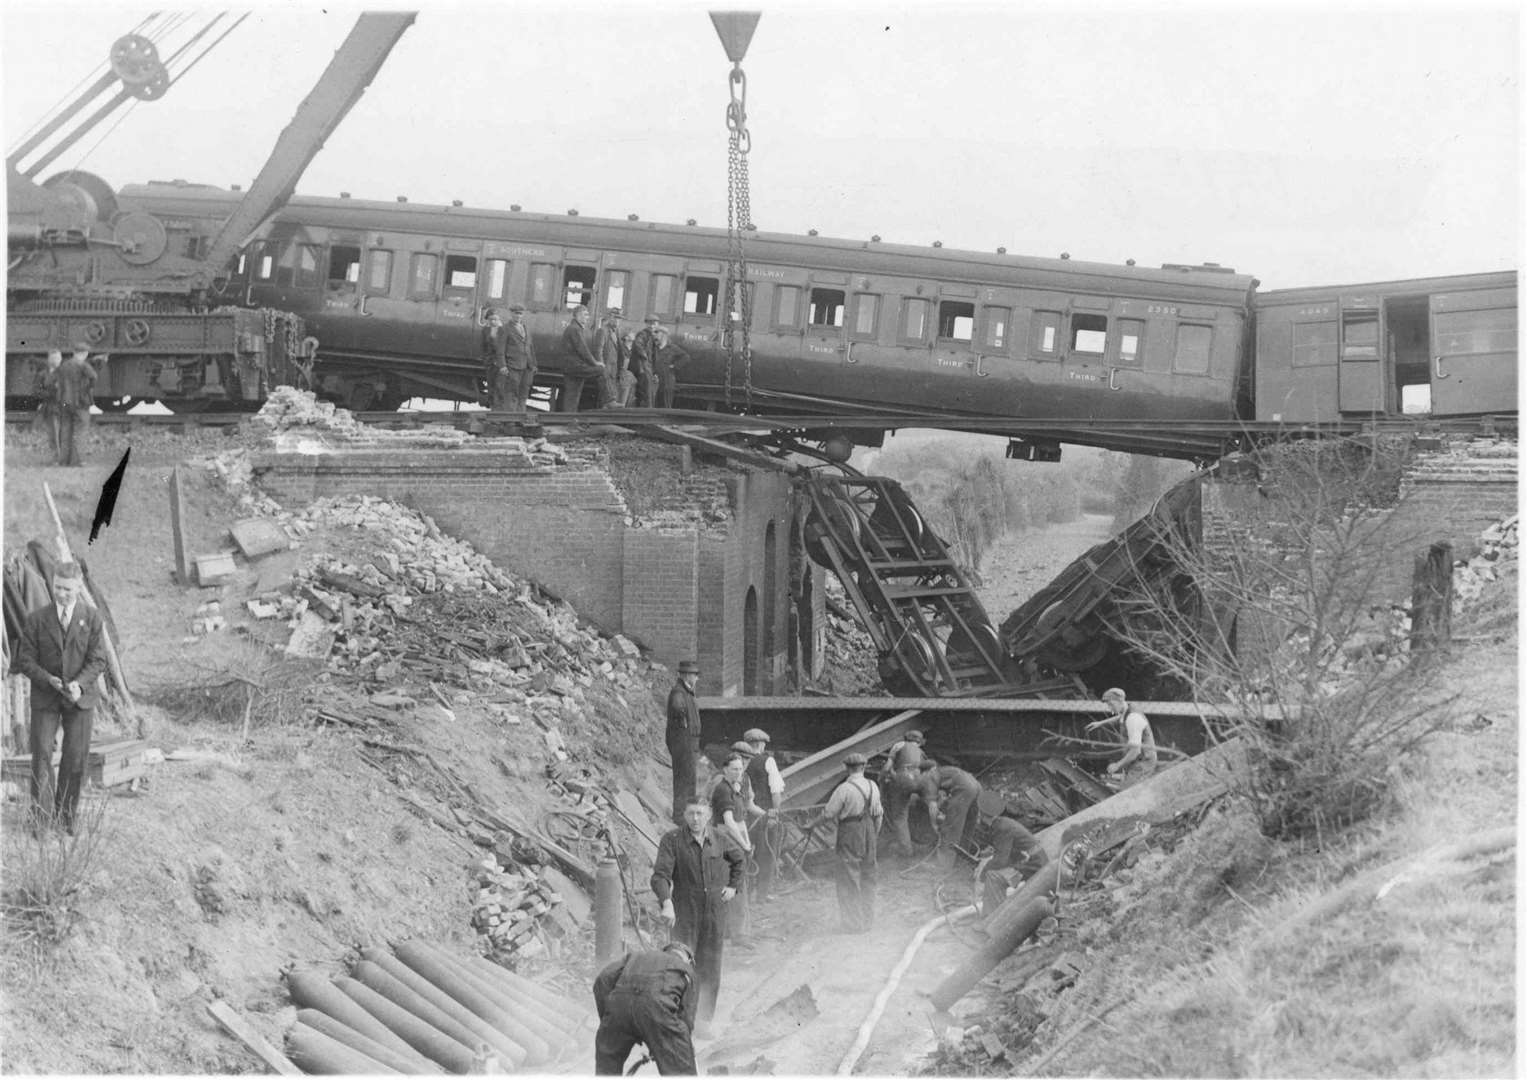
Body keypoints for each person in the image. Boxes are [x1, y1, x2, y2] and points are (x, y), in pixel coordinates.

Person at [13, 562, 109, 834]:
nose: (61, 594)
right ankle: (42, 820)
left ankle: (66, 818)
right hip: (46, 696)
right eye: (57, 588)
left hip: (80, 698)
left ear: (78, 586)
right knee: (42, 756)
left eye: (67, 589)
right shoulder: (37, 619)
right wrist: (47, 679)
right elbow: (25, 659)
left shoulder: (91, 619)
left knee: (75, 757)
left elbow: (98, 659)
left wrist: (79, 684)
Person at [651, 797, 744, 1033]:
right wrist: (666, 903)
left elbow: (739, 859)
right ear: (684, 815)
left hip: (714, 912)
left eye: (700, 814)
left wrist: (733, 886)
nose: (695, 819)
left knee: (710, 966)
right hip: (684, 911)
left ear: (709, 815)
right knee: (679, 965)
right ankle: (678, 1021)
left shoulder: (719, 839)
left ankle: (703, 1021)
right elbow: (660, 876)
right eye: (691, 814)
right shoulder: (672, 840)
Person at [592, 941, 699, 1076]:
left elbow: (602, 980)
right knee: (681, 1072)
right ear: (688, 959)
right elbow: (686, 1018)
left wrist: (608, 1018)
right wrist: (672, 1043)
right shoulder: (686, 970)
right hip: (658, 1010)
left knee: (606, 1068)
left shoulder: (635, 956)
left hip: (619, 1009)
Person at [810, 752, 883, 932]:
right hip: (870, 830)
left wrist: (811, 824)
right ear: (864, 767)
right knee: (869, 876)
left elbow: (828, 814)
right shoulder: (873, 785)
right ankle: (868, 922)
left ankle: (853, 925)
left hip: (850, 831)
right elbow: (879, 814)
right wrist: (873, 834)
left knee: (848, 877)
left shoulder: (844, 789)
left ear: (847, 768)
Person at [742, 727, 785, 901]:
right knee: (766, 853)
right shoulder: (768, 761)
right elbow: (776, 791)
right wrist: (775, 814)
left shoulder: (741, 762)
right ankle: (762, 894)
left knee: (746, 852)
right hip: (766, 814)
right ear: (761, 744)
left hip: (746, 814)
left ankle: (746, 892)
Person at [1087, 687, 1158, 787]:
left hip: (1143, 762)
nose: (1110, 708)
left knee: (1128, 793)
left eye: (1111, 704)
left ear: (1120, 700)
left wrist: (1117, 765)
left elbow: (1135, 751)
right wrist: (1100, 723)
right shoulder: (1127, 709)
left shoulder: (1133, 719)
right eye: (1108, 705)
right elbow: (1120, 718)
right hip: (1138, 760)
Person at [917, 758, 983, 861]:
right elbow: (944, 798)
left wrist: (934, 825)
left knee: (950, 829)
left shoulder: (929, 776)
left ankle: (943, 865)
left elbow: (932, 806)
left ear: (925, 771)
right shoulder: (945, 771)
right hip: (977, 786)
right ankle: (962, 859)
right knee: (967, 826)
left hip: (964, 790)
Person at [666, 661, 702, 824]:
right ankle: (680, 816)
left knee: (689, 778)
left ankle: (687, 813)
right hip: (683, 743)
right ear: (687, 676)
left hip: (689, 743)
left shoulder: (687, 692)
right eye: (695, 675)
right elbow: (677, 707)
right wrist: (683, 720)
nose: (696, 679)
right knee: (683, 779)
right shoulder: (679, 692)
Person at [881, 729, 927, 857]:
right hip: (919, 780)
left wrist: (884, 778)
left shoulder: (899, 745)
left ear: (906, 738)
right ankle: (931, 842)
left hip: (903, 779)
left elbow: (887, 768)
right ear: (919, 741)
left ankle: (907, 851)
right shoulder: (921, 752)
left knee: (899, 817)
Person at [54, 344, 98, 466]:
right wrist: (87, 389)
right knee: (80, 431)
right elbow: (94, 377)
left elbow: (59, 383)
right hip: (80, 403)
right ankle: (76, 461)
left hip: (65, 402)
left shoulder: (64, 365)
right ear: (85, 353)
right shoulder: (83, 365)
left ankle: (63, 461)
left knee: (65, 431)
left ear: (74, 352)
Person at [559, 305, 605, 411]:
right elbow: (582, 349)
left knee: (573, 395)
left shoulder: (575, 328)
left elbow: (581, 350)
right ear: (578, 316)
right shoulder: (575, 329)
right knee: (601, 370)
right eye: (585, 314)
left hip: (572, 366)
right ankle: (609, 400)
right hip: (574, 367)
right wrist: (595, 363)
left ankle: (569, 420)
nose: (588, 317)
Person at [501, 305, 538, 416]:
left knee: (523, 394)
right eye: (516, 313)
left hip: (527, 367)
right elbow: (500, 349)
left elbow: (530, 348)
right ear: (511, 314)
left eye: (520, 313)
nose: (518, 316)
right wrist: (503, 365)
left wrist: (534, 365)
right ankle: (510, 421)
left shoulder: (526, 328)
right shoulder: (505, 328)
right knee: (512, 393)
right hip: (513, 366)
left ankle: (520, 418)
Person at [592, 309, 625, 407]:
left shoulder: (616, 332)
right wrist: (602, 367)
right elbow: (598, 351)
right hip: (606, 369)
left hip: (613, 370)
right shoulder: (603, 331)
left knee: (608, 399)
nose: (618, 321)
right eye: (615, 318)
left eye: (619, 319)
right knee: (606, 398)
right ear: (610, 317)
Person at [651, 328, 690, 409]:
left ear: (664, 335)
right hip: (655, 381)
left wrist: (674, 366)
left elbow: (686, 357)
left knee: (666, 405)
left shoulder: (672, 348)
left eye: (657, 333)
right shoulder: (654, 348)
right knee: (654, 405)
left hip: (667, 381)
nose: (655, 335)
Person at [630, 315, 662, 407]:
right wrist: (645, 356)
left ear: (657, 325)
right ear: (646, 324)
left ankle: (646, 411)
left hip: (648, 367)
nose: (652, 326)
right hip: (642, 368)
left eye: (654, 324)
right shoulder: (643, 334)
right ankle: (647, 412)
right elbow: (637, 344)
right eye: (649, 323)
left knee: (648, 391)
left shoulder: (653, 336)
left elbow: (654, 355)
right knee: (646, 391)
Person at [480, 308, 509, 407]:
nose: (492, 321)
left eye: (495, 319)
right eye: (490, 319)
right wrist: (486, 360)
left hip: (501, 364)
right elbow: (483, 347)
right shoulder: (485, 330)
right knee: (491, 387)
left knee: (500, 387)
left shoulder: (504, 330)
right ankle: (493, 410)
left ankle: (499, 410)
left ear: (499, 319)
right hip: (490, 364)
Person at [617, 331, 638, 406]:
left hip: (632, 375)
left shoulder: (634, 349)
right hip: (623, 374)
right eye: (629, 336)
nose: (632, 338)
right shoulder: (621, 348)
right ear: (625, 338)